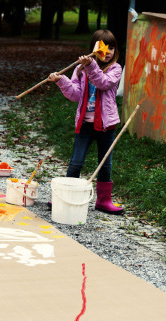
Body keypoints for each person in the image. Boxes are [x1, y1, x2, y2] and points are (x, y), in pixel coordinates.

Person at [48, 29, 124, 215]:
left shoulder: (115, 69)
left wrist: (91, 66)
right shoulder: (80, 69)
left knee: (105, 163)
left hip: (106, 125)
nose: (107, 53)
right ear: (93, 48)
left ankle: (103, 201)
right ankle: (65, 196)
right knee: (76, 162)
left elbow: (103, 83)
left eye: (111, 48)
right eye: (102, 48)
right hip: (85, 125)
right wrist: (61, 81)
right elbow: (74, 95)